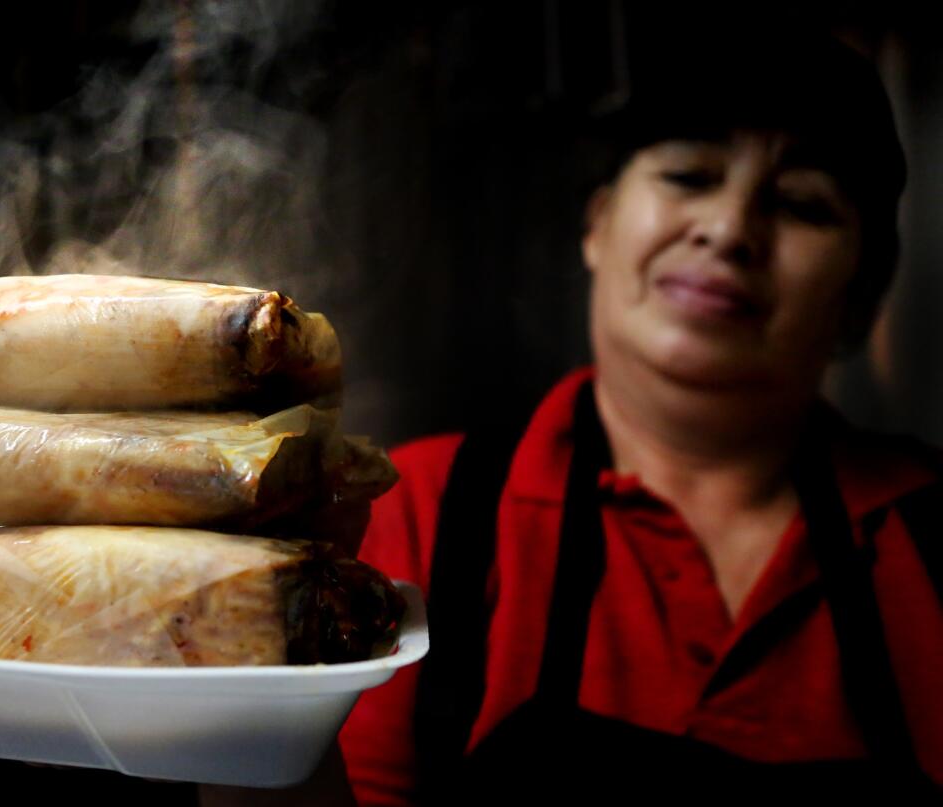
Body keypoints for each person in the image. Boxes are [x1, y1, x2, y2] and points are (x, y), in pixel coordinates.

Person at [335, 22, 943, 805]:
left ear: (861, 302)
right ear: (597, 225)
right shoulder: (417, 508)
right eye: (691, 175)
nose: (728, 231)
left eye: (801, 205)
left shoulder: (930, 533)